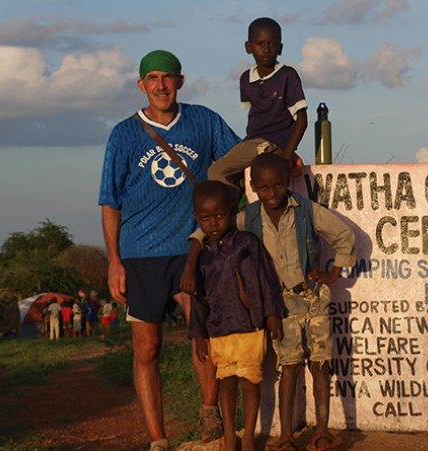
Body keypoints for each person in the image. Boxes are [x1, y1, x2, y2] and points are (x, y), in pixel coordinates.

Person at [99, 49, 241, 451]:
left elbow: (238, 158)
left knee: (205, 329)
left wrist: (279, 158)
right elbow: (110, 201)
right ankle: (158, 438)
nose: (161, 85)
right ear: (141, 85)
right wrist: (113, 261)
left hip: (191, 246)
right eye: (153, 78)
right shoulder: (123, 134)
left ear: (180, 81)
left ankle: (209, 413)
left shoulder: (204, 121)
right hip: (140, 252)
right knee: (148, 347)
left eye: (168, 77)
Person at [184, 153, 355, 451]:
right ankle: (286, 434)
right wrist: (189, 264)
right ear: (253, 187)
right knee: (288, 365)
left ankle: (322, 432)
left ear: (288, 182)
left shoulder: (306, 211)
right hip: (280, 302)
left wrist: (332, 273)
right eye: (263, 188)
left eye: (278, 186)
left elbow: (344, 234)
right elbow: (204, 232)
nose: (272, 194)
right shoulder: (245, 218)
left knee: (320, 363)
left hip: (313, 295)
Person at [187, 181, 287, 451]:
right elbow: (199, 299)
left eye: (219, 215)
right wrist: (198, 335)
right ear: (197, 218)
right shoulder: (203, 257)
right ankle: (230, 435)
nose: (214, 223)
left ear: (231, 211)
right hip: (219, 330)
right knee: (227, 383)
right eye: (206, 218)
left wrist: (272, 314)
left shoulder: (247, 242)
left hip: (250, 327)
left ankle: (248, 438)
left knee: (250, 381)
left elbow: (267, 278)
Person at [207, 17, 307, 207]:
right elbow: (256, 119)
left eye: (272, 44)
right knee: (237, 179)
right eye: (260, 44)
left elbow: (301, 120)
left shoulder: (287, 75)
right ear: (248, 47)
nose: (266, 49)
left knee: (216, 171)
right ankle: (235, 222)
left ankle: (226, 224)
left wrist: (287, 156)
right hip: (253, 143)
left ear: (281, 48)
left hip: (269, 144)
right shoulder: (246, 79)